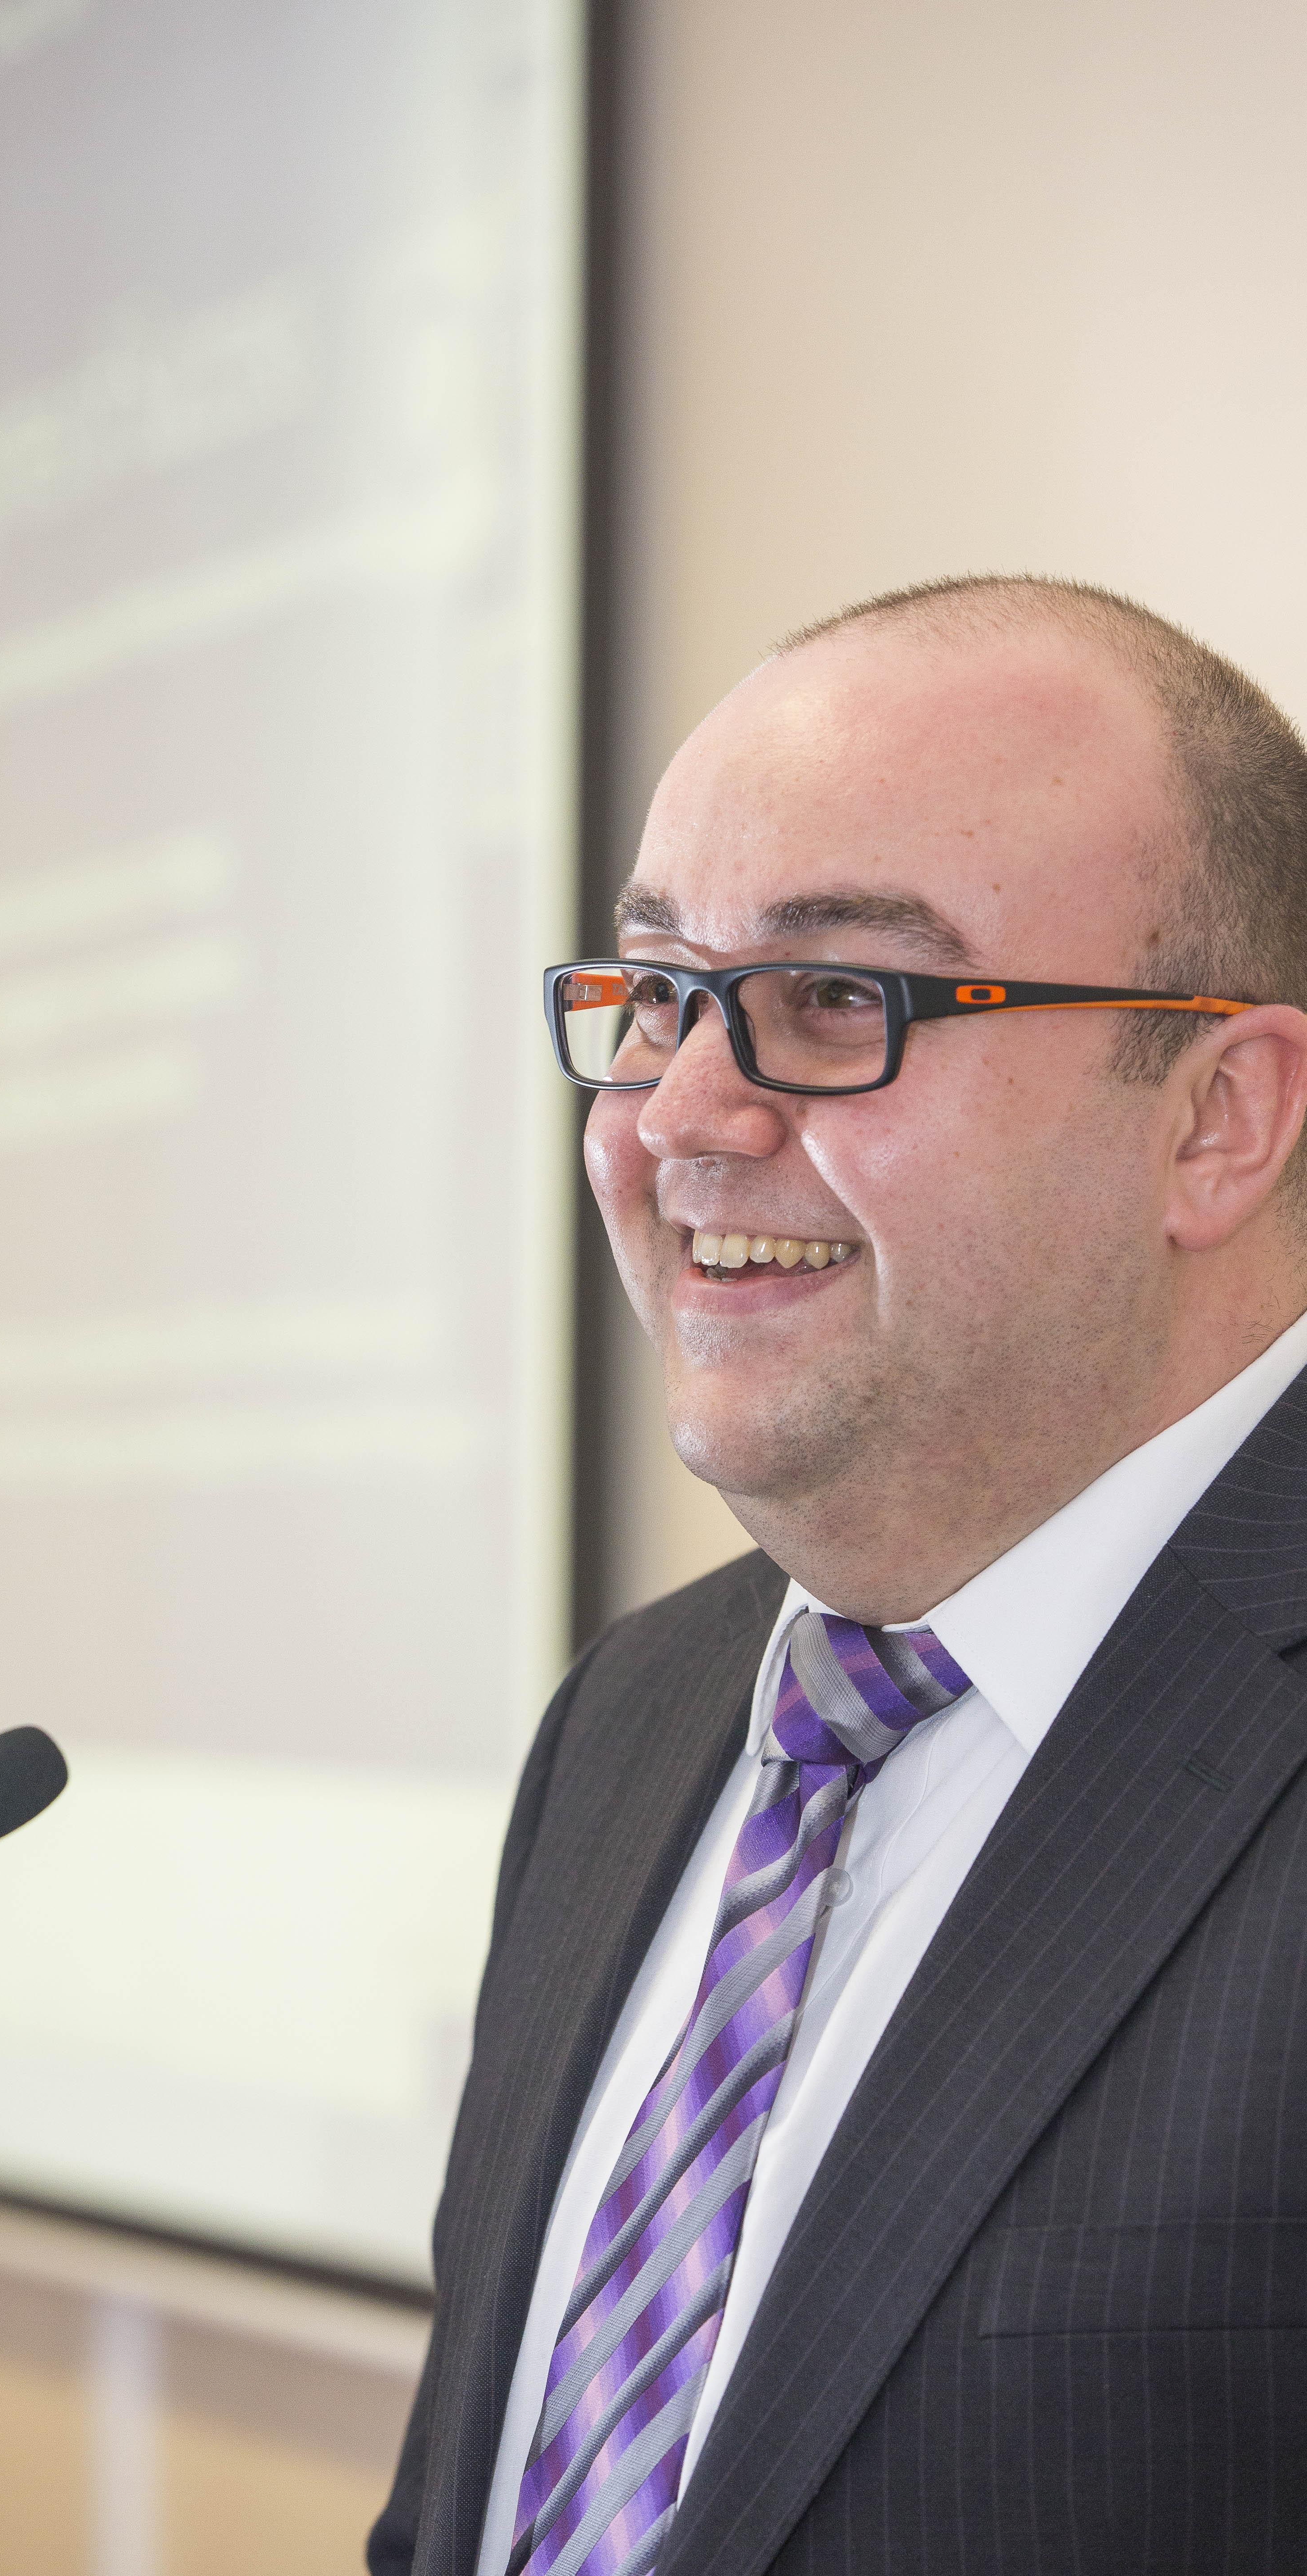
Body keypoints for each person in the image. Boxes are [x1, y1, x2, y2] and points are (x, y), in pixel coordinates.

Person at [369, 575, 1307, 2576]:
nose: (681, 1117)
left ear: (1217, 1122)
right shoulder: (636, 1720)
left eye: (837, 1002)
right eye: (656, 997)